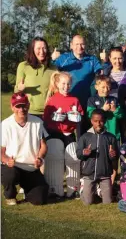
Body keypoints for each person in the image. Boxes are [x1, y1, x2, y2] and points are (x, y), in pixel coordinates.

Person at [1, 92, 48, 206]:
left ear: (28, 105)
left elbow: (44, 146)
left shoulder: (37, 122)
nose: (21, 109)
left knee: (40, 199)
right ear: (12, 107)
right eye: (18, 106)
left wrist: (40, 158)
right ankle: (10, 195)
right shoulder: (5, 124)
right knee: (10, 174)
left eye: (24, 105)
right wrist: (7, 160)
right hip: (13, 166)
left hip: (31, 167)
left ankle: (28, 190)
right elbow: (1, 152)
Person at [43, 71, 84, 199]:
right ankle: (55, 189)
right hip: (54, 133)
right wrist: (54, 118)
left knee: (73, 157)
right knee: (55, 156)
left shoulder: (74, 99)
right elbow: (46, 119)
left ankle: (73, 190)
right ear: (57, 84)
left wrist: (77, 116)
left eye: (68, 84)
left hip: (69, 133)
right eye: (63, 83)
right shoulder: (52, 100)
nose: (66, 86)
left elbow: (80, 115)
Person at [52, 35, 103, 135]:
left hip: (86, 101)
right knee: (65, 131)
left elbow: (101, 73)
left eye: (82, 44)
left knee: (86, 132)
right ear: (71, 45)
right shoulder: (63, 59)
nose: (79, 47)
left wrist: (105, 61)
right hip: (67, 102)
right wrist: (53, 60)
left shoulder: (92, 59)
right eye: (77, 44)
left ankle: (86, 149)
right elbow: (50, 70)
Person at [76, 109, 118, 205]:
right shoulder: (85, 137)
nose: (98, 123)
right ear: (91, 121)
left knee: (108, 202)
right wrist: (84, 152)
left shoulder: (111, 138)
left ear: (105, 121)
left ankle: (98, 191)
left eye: (101, 121)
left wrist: (113, 155)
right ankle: (84, 190)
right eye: (95, 121)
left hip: (105, 174)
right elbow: (78, 154)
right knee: (88, 202)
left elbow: (115, 157)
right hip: (89, 174)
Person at [15, 37, 57, 117]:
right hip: (29, 113)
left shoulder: (54, 68)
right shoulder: (23, 66)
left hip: (50, 113)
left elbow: (57, 91)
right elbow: (16, 91)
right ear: (32, 50)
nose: (42, 52)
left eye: (44, 48)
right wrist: (19, 89)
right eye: (38, 48)